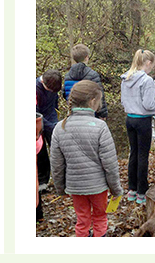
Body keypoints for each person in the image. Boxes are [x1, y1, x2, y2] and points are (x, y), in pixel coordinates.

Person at [49, 80, 123, 237]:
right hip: (98, 187)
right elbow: (110, 164)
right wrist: (116, 189)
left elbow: (56, 164)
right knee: (100, 217)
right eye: (100, 100)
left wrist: (60, 188)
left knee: (82, 220)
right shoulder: (100, 127)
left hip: (75, 187)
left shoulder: (59, 127)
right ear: (92, 101)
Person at [119, 49, 155, 204]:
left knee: (133, 153)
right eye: (153, 65)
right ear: (148, 63)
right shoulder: (147, 80)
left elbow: (123, 101)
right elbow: (148, 104)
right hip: (143, 120)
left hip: (130, 118)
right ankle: (142, 192)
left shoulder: (126, 77)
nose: (152, 69)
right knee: (143, 156)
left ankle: (131, 189)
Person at [63, 44, 108, 119]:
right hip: (90, 114)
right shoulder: (93, 75)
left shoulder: (67, 76)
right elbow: (100, 96)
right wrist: (102, 114)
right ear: (87, 57)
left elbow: (64, 94)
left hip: (73, 113)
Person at [36, 69, 62, 193]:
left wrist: (55, 121)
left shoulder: (53, 84)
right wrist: (48, 125)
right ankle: (42, 182)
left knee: (58, 149)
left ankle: (62, 180)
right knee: (41, 152)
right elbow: (35, 114)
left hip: (51, 117)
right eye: (50, 90)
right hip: (38, 121)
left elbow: (54, 103)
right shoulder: (35, 90)